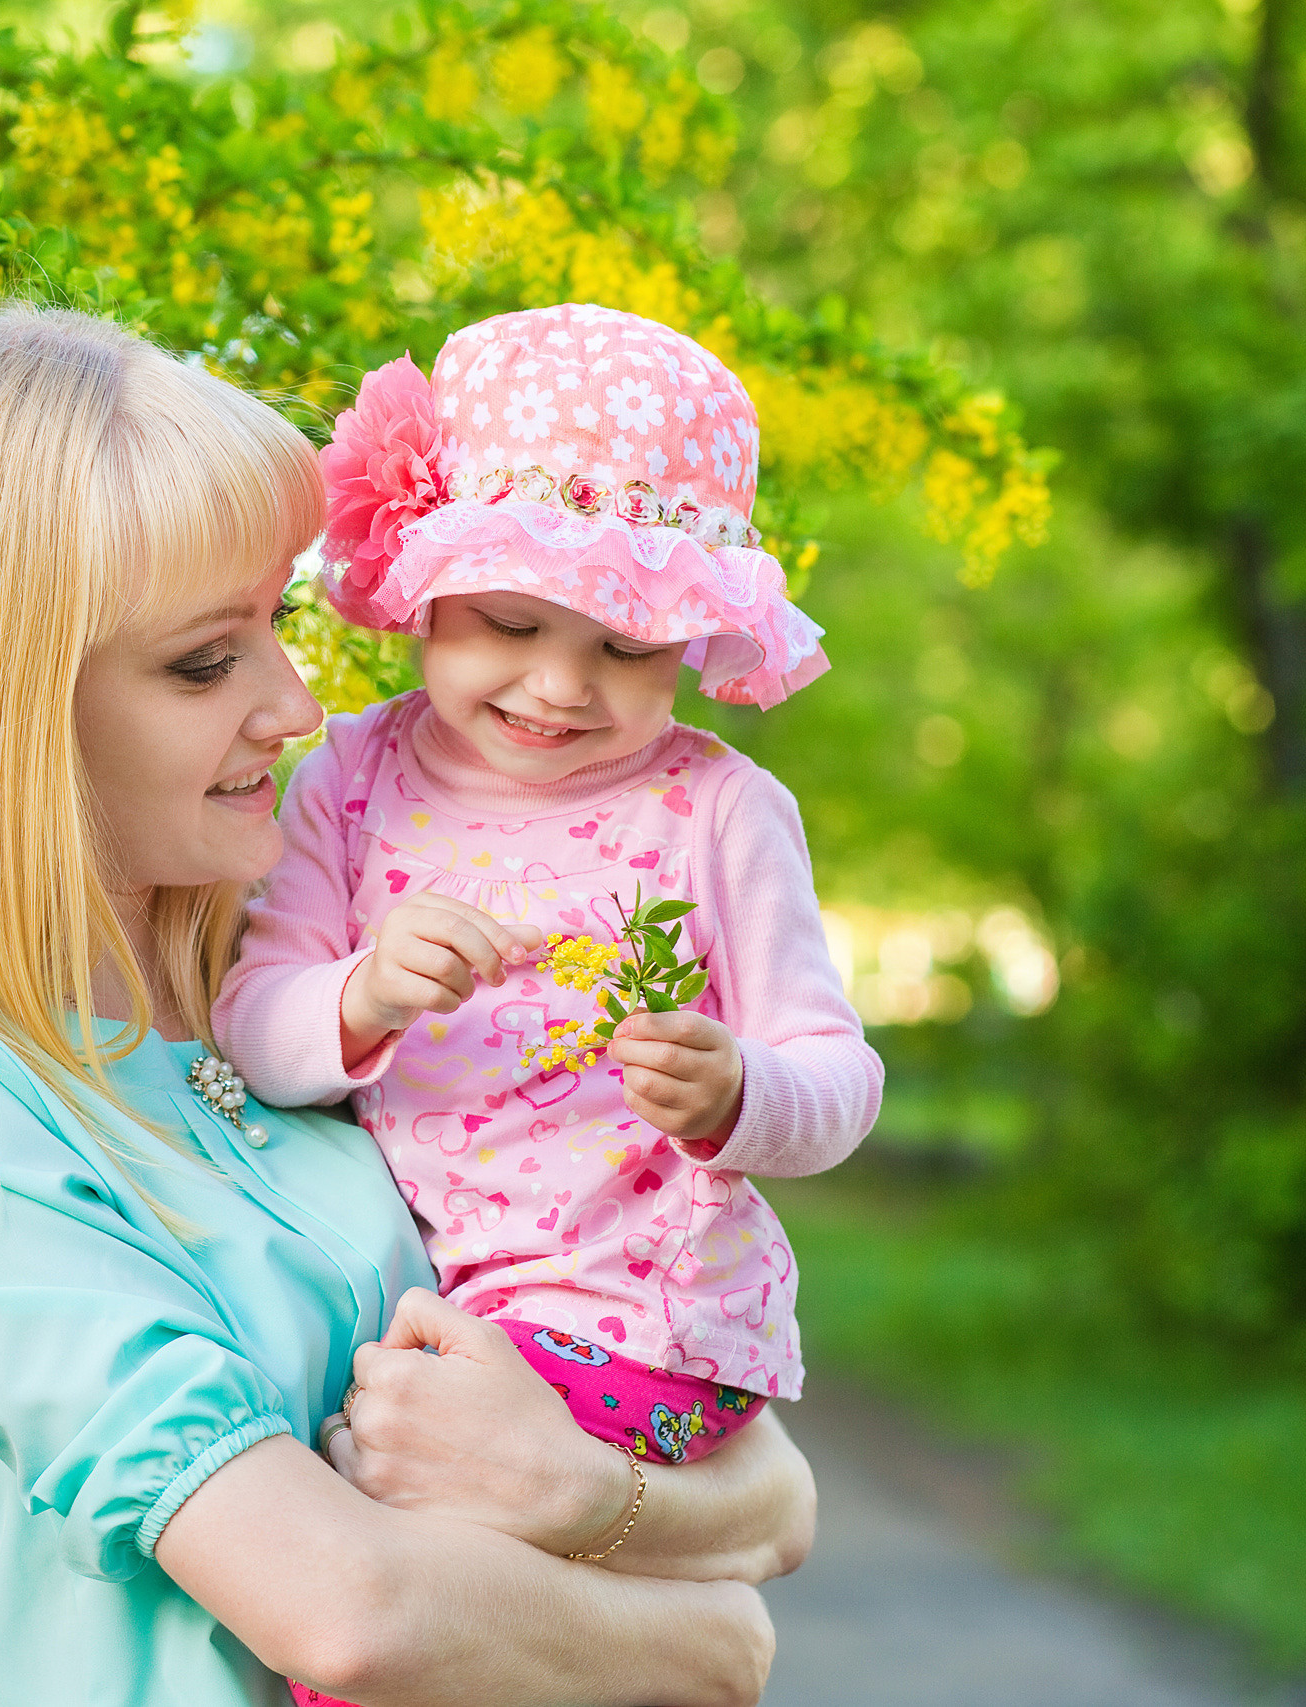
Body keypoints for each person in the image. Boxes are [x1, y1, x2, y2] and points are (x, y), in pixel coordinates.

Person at [0, 302, 812, 1707]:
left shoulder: (288, 979)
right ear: (4, 707)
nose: (295, 707)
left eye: (277, 626)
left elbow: (771, 1489)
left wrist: (585, 1489)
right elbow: (344, 1613)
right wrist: (709, 1636)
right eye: (204, 661)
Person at [212, 307, 878, 1702]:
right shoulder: (349, 776)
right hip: (417, 1307)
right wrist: (360, 993)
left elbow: (837, 1075)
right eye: (513, 623)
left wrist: (744, 1091)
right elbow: (255, 1029)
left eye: (627, 650)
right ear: (420, 589)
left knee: (432, 1627)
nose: (560, 687)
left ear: (694, 642)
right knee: (481, 1634)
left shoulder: (716, 811)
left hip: (632, 1311)